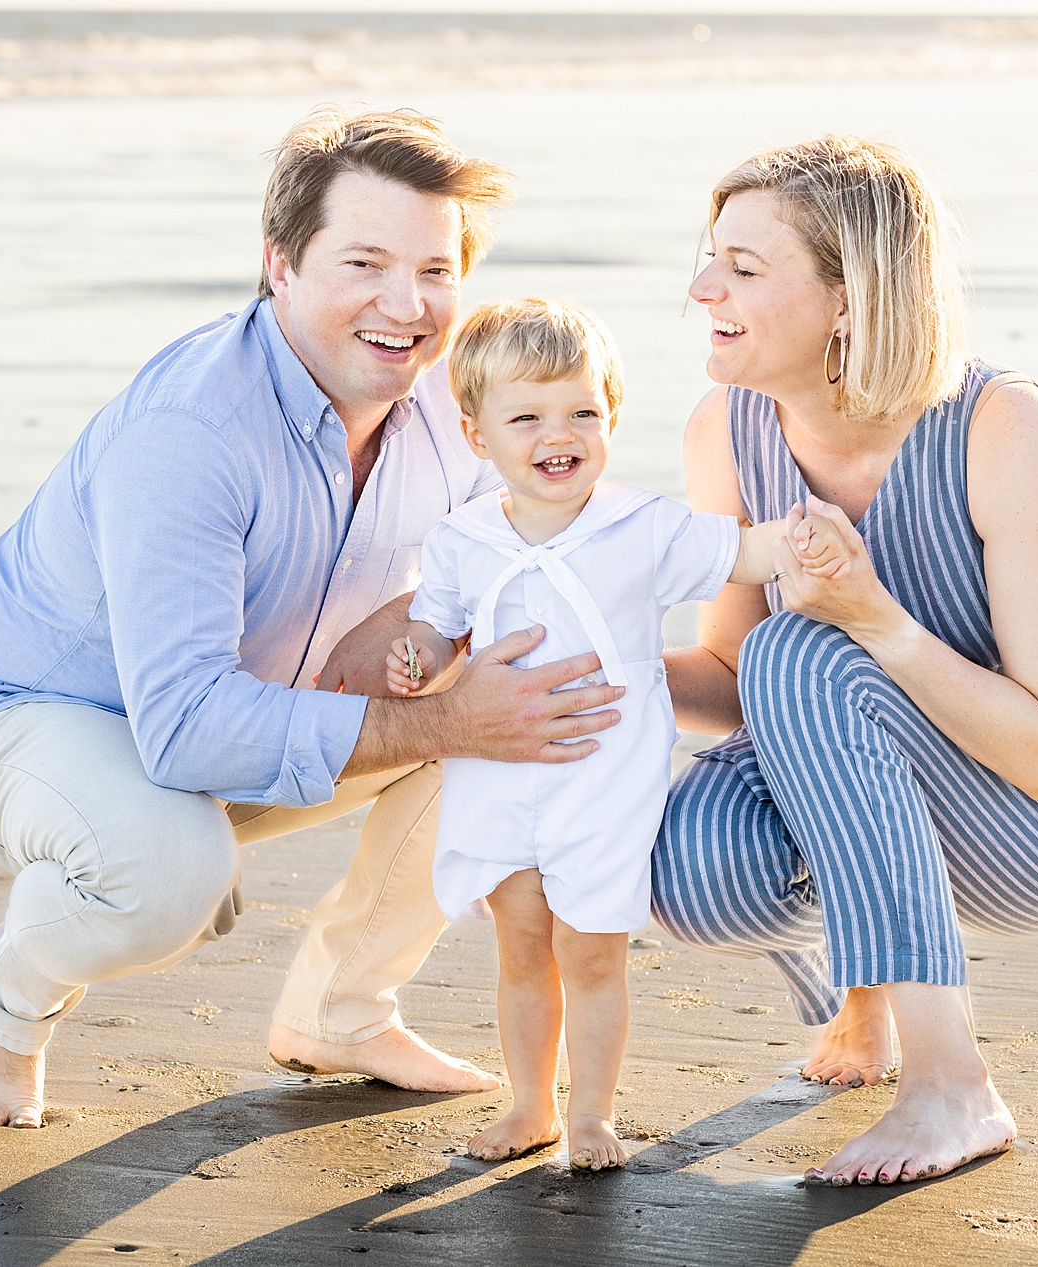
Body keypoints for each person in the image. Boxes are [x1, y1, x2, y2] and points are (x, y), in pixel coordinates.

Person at [0, 108, 634, 1129]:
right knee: (170, 871)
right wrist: (441, 715)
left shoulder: (454, 399)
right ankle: (10, 1001)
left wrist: (421, 624)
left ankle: (341, 1012)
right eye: (364, 263)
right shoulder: (190, 432)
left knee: (520, 713)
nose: (406, 304)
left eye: (435, 269)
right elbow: (184, 729)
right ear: (280, 266)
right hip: (39, 720)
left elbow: (547, 553)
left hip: (246, 704)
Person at [651, 136, 1038, 1185]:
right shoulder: (727, 424)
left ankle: (951, 1085)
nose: (701, 286)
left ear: (851, 297)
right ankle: (872, 991)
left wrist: (875, 617)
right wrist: (587, 656)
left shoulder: (1000, 424)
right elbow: (732, 678)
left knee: (805, 647)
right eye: (710, 256)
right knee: (692, 871)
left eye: (744, 269)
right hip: (880, 767)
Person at [385, 298, 845, 1169]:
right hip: (499, 779)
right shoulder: (459, 538)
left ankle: (590, 1115)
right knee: (521, 947)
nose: (558, 435)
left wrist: (800, 532)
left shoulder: (643, 525)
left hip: (601, 790)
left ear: (612, 417)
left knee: (591, 954)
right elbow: (438, 629)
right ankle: (531, 1107)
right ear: (477, 434)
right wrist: (417, 658)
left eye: (582, 413)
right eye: (526, 417)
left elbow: (742, 554)